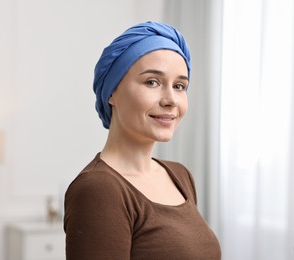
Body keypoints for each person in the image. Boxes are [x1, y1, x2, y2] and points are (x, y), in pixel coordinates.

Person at [64, 21, 221, 260]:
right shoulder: (98, 190)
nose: (171, 100)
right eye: (152, 82)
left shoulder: (180, 176)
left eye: (180, 86)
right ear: (112, 93)